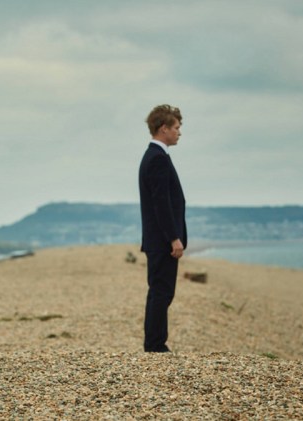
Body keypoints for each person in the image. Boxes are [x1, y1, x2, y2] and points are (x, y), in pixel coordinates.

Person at [138, 104, 187, 353]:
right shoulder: (156, 158)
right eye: (177, 127)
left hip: (159, 240)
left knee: (161, 291)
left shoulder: (157, 156)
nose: (179, 132)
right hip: (162, 241)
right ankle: (155, 346)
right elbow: (161, 204)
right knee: (161, 291)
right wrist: (173, 238)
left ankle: (155, 343)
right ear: (163, 128)